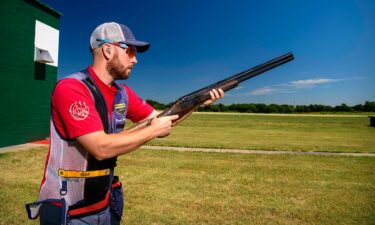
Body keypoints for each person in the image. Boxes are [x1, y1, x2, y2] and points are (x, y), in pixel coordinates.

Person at [26, 22, 224, 225]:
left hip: (103, 204)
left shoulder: (123, 94)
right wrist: (153, 130)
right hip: (68, 208)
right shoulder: (71, 88)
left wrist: (196, 104)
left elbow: (163, 120)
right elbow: (100, 148)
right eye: (129, 51)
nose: (136, 60)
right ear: (108, 50)